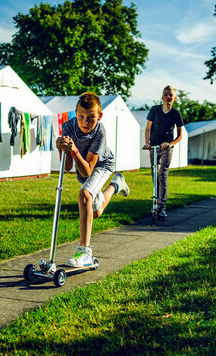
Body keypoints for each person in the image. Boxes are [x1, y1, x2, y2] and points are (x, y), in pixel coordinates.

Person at [56, 92, 129, 267]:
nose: (85, 122)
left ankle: (84, 252)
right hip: (83, 166)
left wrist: (74, 151)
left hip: (102, 165)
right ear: (75, 112)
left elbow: (89, 170)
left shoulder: (100, 131)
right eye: (81, 116)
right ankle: (116, 185)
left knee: (84, 195)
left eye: (91, 118)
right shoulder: (67, 127)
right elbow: (66, 167)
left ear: (100, 116)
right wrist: (61, 148)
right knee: (94, 212)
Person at [142, 85, 184, 220]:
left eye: (170, 95)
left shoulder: (176, 114)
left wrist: (169, 144)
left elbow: (180, 136)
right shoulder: (154, 110)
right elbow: (148, 128)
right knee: (155, 174)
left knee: (163, 174)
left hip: (167, 148)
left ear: (175, 98)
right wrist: (147, 142)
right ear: (162, 97)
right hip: (154, 146)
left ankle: (162, 207)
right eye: (166, 94)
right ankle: (155, 203)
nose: (168, 97)